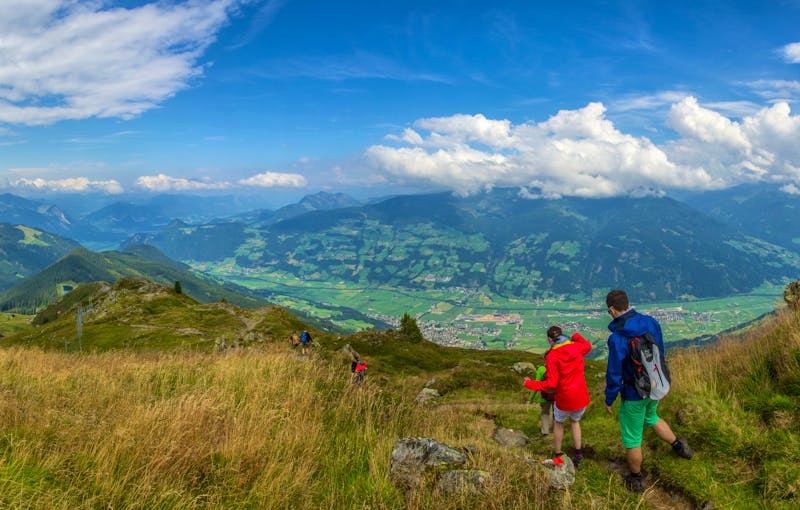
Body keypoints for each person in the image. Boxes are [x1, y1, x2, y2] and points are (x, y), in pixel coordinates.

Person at [604, 289, 693, 494]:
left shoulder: (618, 338)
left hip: (634, 393)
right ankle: (679, 445)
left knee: (633, 438)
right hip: (655, 385)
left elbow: (614, 373)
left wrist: (609, 399)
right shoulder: (651, 322)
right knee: (651, 417)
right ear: (628, 304)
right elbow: (659, 351)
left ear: (611, 310)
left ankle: (635, 480)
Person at [524, 325, 592, 468]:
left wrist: (532, 384)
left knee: (559, 423)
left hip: (564, 398)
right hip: (581, 396)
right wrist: (576, 336)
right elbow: (587, 346)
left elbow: (551, 384)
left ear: (550, 339)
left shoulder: (552, 356)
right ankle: (578, 455)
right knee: (575, 422)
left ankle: (558, 455)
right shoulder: (575, 347)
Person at [528, 364, 555, 436]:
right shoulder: (558, 367)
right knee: (556, 414)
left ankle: (545, 431)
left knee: (544, 413)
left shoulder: (541, 369)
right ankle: (555, 430)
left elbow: (536, 384)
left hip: (545, 396)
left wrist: (531, 398)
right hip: (557, 395)